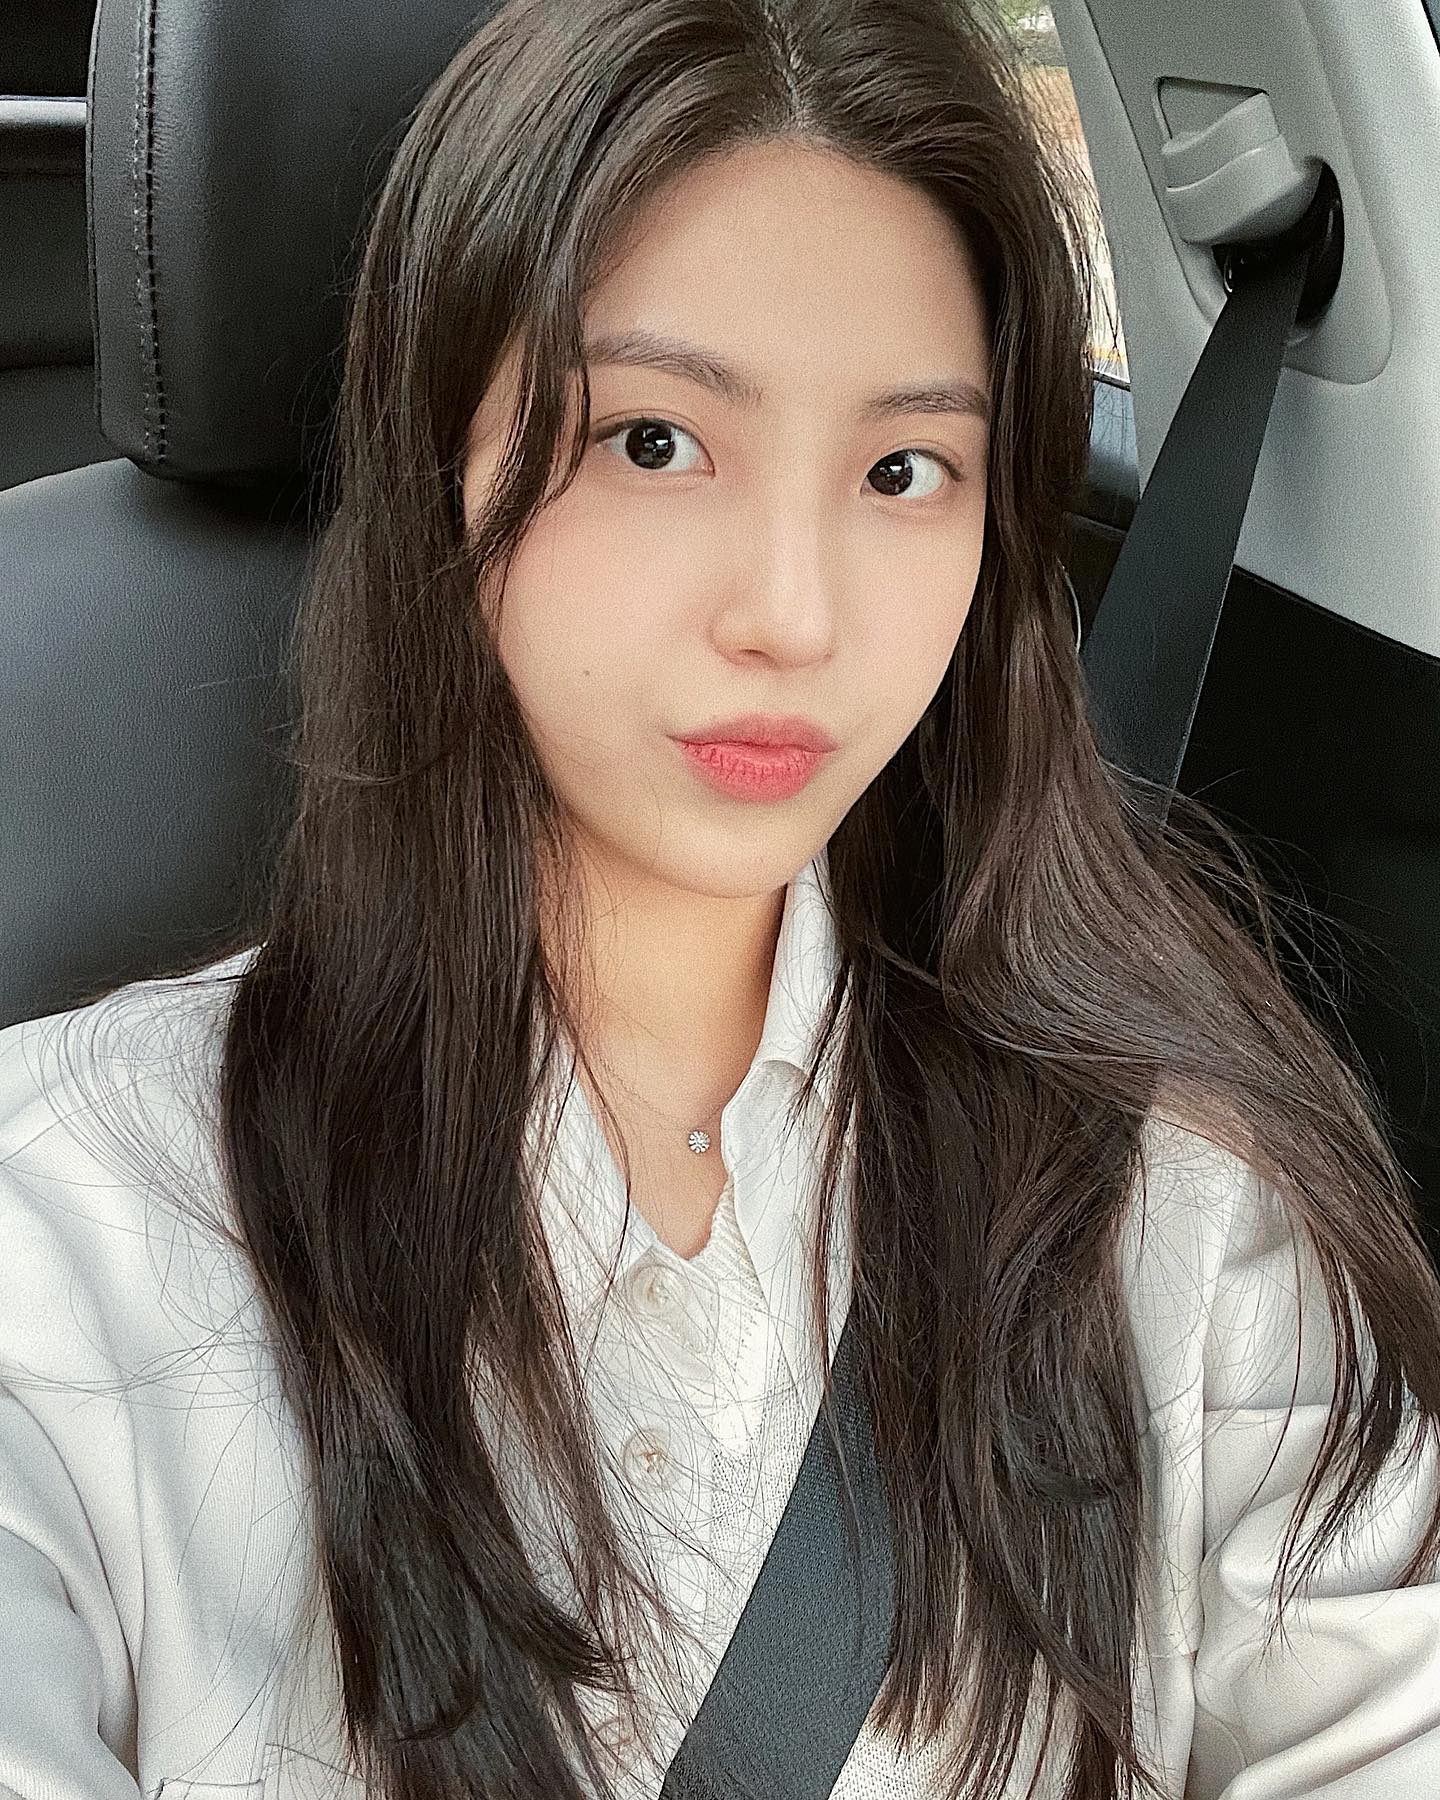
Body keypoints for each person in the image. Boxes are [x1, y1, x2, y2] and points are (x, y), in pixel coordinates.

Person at [4, 0, 1440, 1796]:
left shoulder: (1174, 1200)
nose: (793, 614)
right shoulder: (66, 1236)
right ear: (442, 453)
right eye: (655, 443)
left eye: (902, 472)